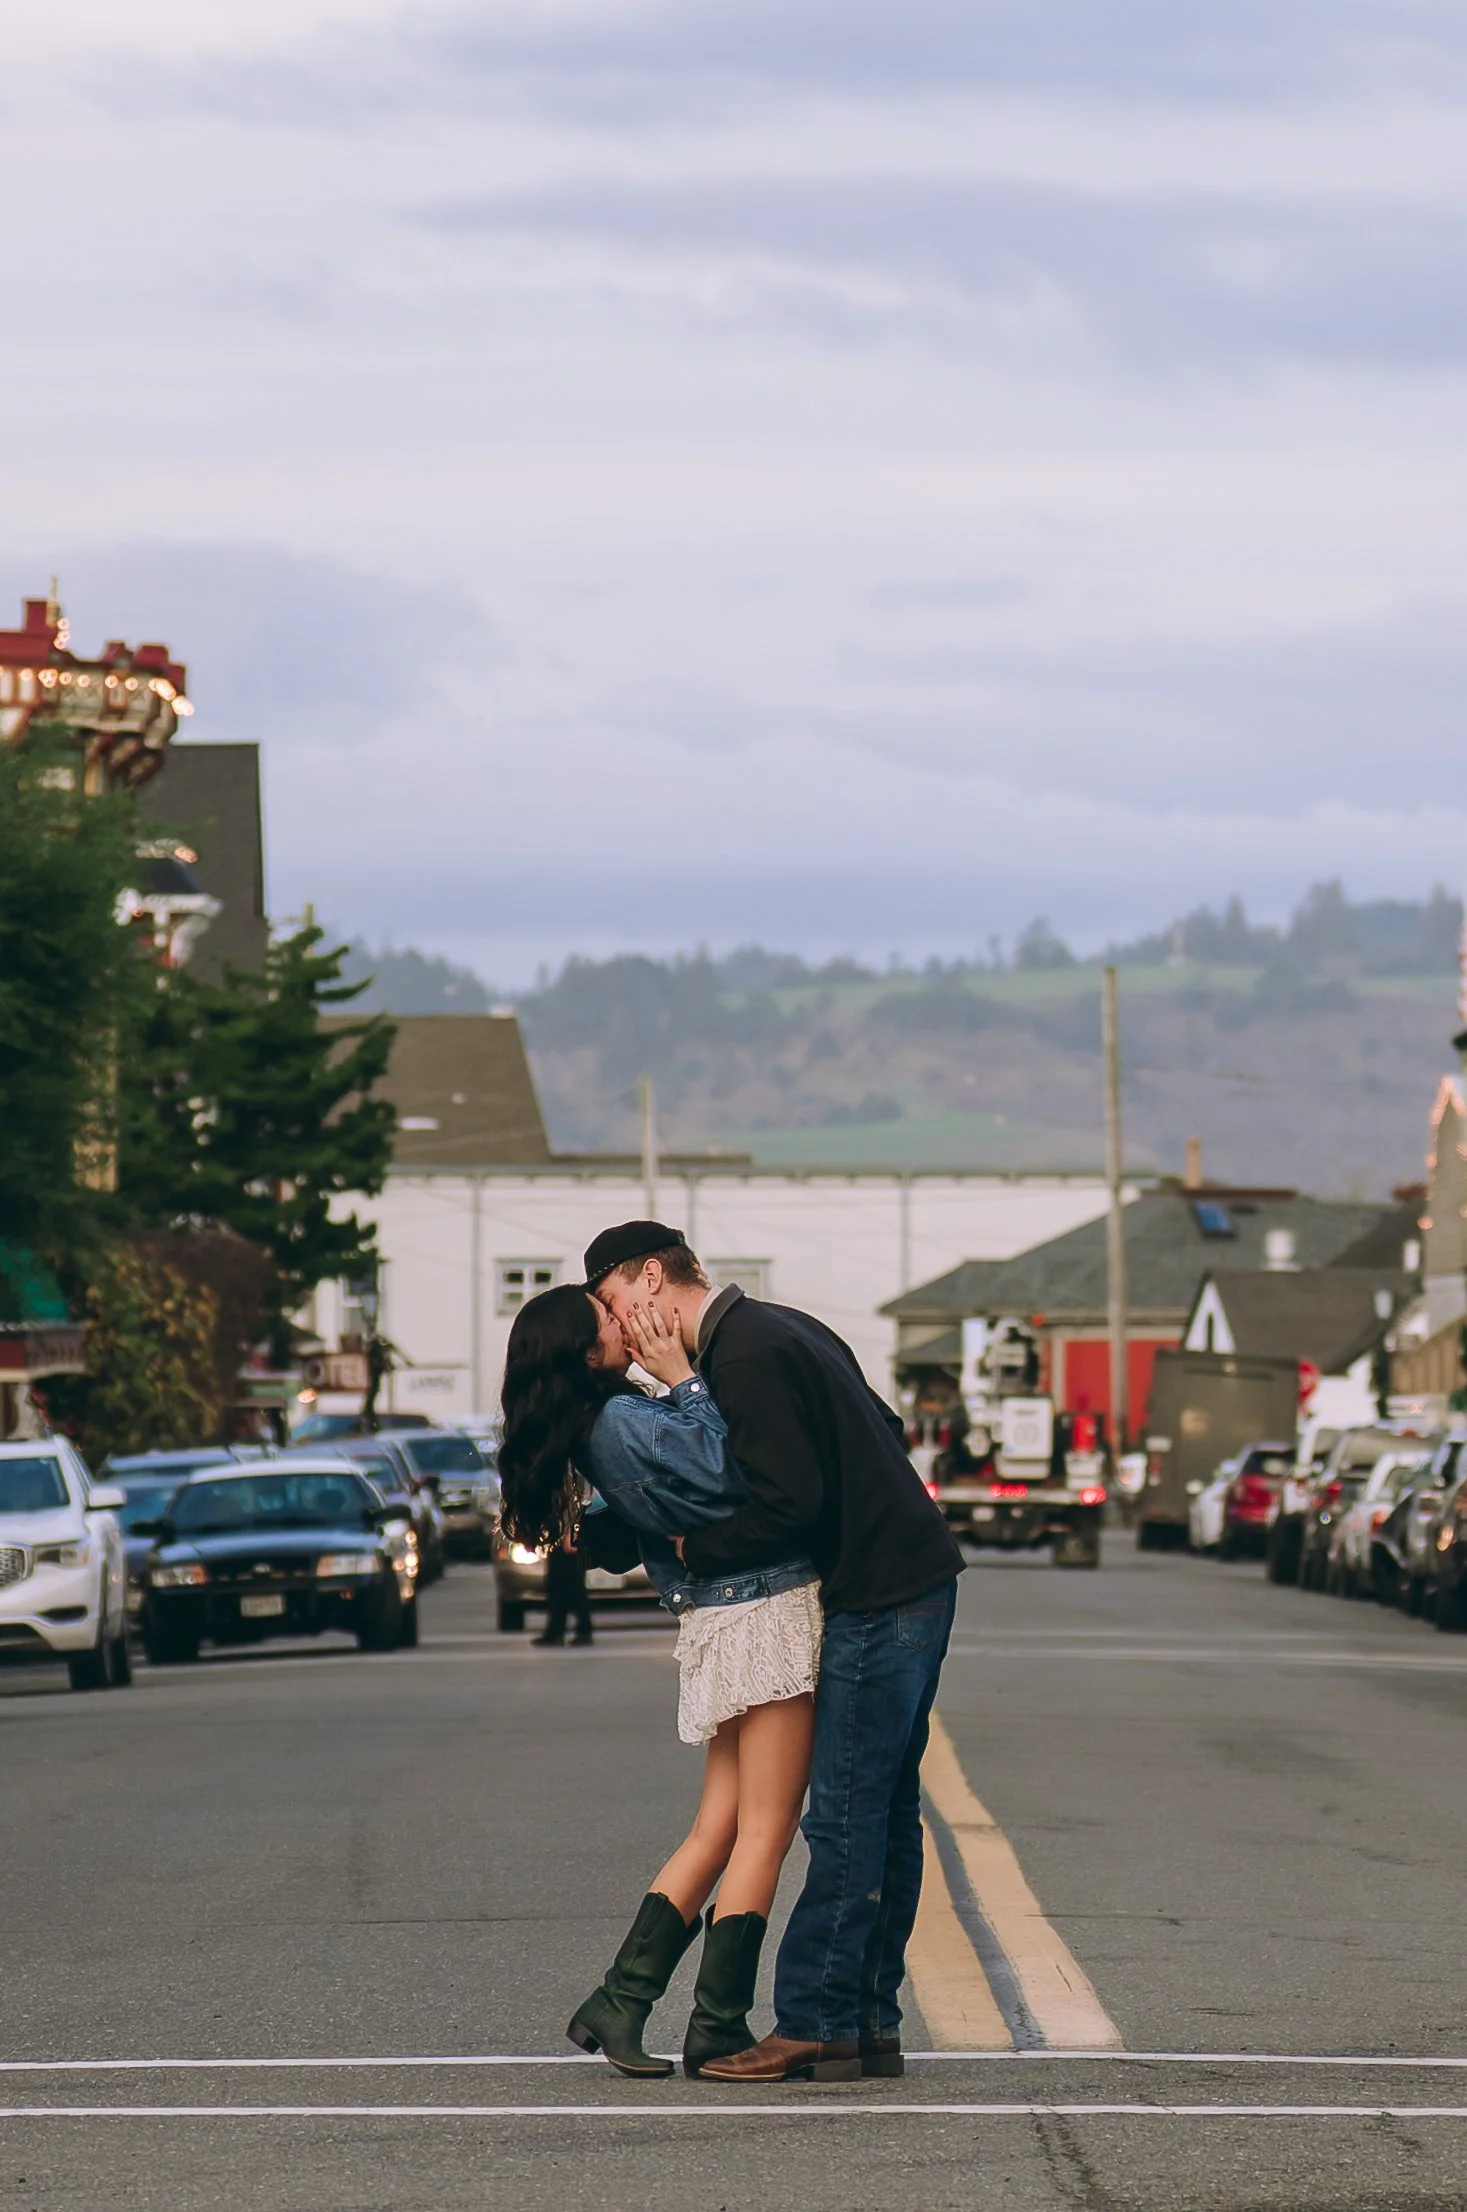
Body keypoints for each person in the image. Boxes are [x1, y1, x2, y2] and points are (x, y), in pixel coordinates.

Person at [586, 1219, 966, 2084]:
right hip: (910, 1577)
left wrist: (693, 1550)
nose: (617, 1324)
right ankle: (866, 2024)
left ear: (651, 1280)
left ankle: (817, 2024)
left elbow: (781, 1502)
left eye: (612, 1299)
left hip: (873, 1592)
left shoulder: (742, 1358)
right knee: (881, 1814)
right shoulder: (781, 1326)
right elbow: (882, 1424)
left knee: (842, 1815)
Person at [497, 1281, 822, 2080]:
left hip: (731, 1615)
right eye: (607, 1318)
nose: (625, 1320)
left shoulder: (605, 1418)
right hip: (762, 1613)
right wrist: (683, 1376)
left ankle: (622, 1999)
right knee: (765, 1829)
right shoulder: (620, 1420)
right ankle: (716, 2024)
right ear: (584, 1352)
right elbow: (727, 1467)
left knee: (720, 1827)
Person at [534, 1530, 593, 1646]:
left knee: (573, 1588)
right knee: (558, 1588)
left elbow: (571, 1518)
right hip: (558, 1539)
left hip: (565, 1539)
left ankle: (583, 1629)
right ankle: (557, 1630)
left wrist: (570, 1537)